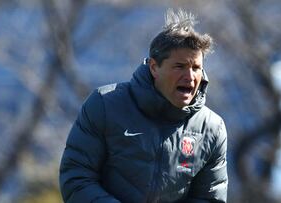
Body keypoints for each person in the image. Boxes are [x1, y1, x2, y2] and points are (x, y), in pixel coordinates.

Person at [59, 8, 228, 203]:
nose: (190, 77)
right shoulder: (105, 104)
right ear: (154, 67)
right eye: (179, 66)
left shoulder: (212, 128)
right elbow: (76, 178)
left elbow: (209, 198)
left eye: (196, 68)